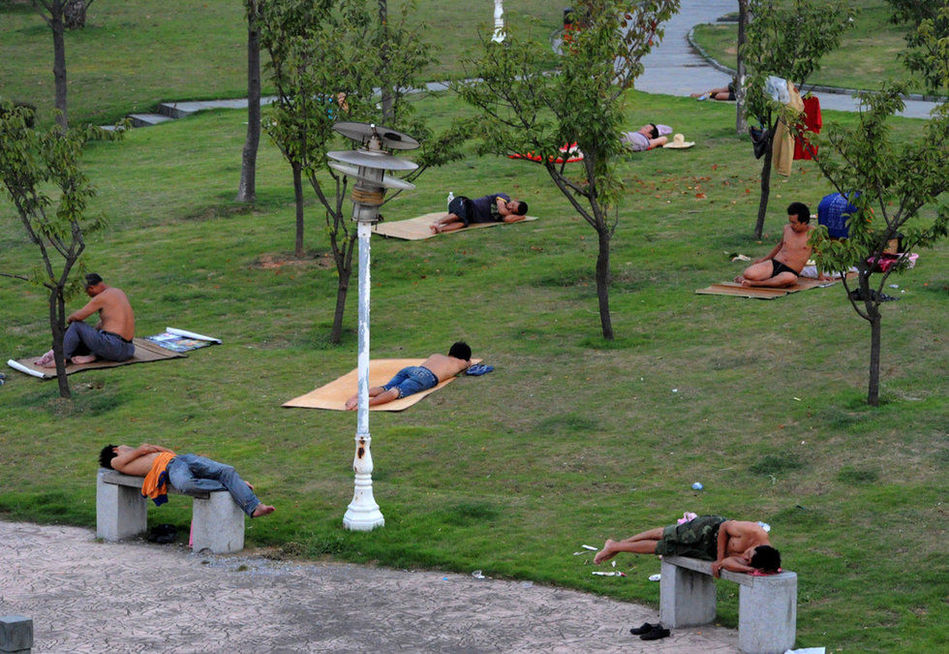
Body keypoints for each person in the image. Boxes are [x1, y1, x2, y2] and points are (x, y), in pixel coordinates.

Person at [99, 443, 275, 518]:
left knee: (225, 470)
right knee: (185, 485)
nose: (127, 446)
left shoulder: (137, 456)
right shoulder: (116, 461)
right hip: (171, 468)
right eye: (123, 446)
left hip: (179, 460)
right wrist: (142, 448)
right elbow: (143, 449)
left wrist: (152, 449)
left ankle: (254, 507)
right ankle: (234, 486)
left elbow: (168, 452)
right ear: (116, 449)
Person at [593, 515, 781, 577]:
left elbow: (728, 563)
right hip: (709, 529)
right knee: (666, 534)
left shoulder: (756, 559)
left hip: (708, 550)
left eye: (748, 561)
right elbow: (725, 527)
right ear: (756, 546)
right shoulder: (755, 532)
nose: (745, 558)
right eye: (748, 555)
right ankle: (614, 546)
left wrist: (745, 569)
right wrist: (719, 558)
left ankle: (615, 546)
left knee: (663, 547)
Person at [35, 273, 135, 367]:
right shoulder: (119, 292)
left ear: (91, 288)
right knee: (92, 332)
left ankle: (61, 359)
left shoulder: (102, 297)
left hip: (114, 347)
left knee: (76, 325)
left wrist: (69, 319)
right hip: (128, 349)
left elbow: (78, 316)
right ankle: (92, 356)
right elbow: (109, 323)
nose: (88, 295)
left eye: (87, 292)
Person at [345, 341, 472, 410]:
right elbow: (468, 363)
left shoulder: (437, 355)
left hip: (413, 369)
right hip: (427, 377)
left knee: (386, 387)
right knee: (396, 392)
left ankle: (357, 396)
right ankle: (366, 404)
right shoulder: (460, 363)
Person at [735, 202, 814, 288]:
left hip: (791, 271)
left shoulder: (813, 233)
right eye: (790, 222)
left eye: (794, 223)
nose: (791, 225)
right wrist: (763, 260)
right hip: (775, 264)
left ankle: (755, 283)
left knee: (790, 279)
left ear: (804, 222)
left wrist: (821, 276)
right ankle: (755, 280)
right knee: (748, 274)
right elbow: (779, 246)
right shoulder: (787, 229)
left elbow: (819, 254)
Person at [430, 194, 528, 234]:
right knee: (459, 214)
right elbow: (502, 210)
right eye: (513, 204)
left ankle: (439, 229)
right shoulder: (504, 197)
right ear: (515, 200)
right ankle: (437, 222)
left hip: (471, 217)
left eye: (512, 210)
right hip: (465, 203)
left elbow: (507, 220)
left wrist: (521, 217)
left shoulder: (505, 216)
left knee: (462, 223)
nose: (510, 207)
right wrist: (509, 213)